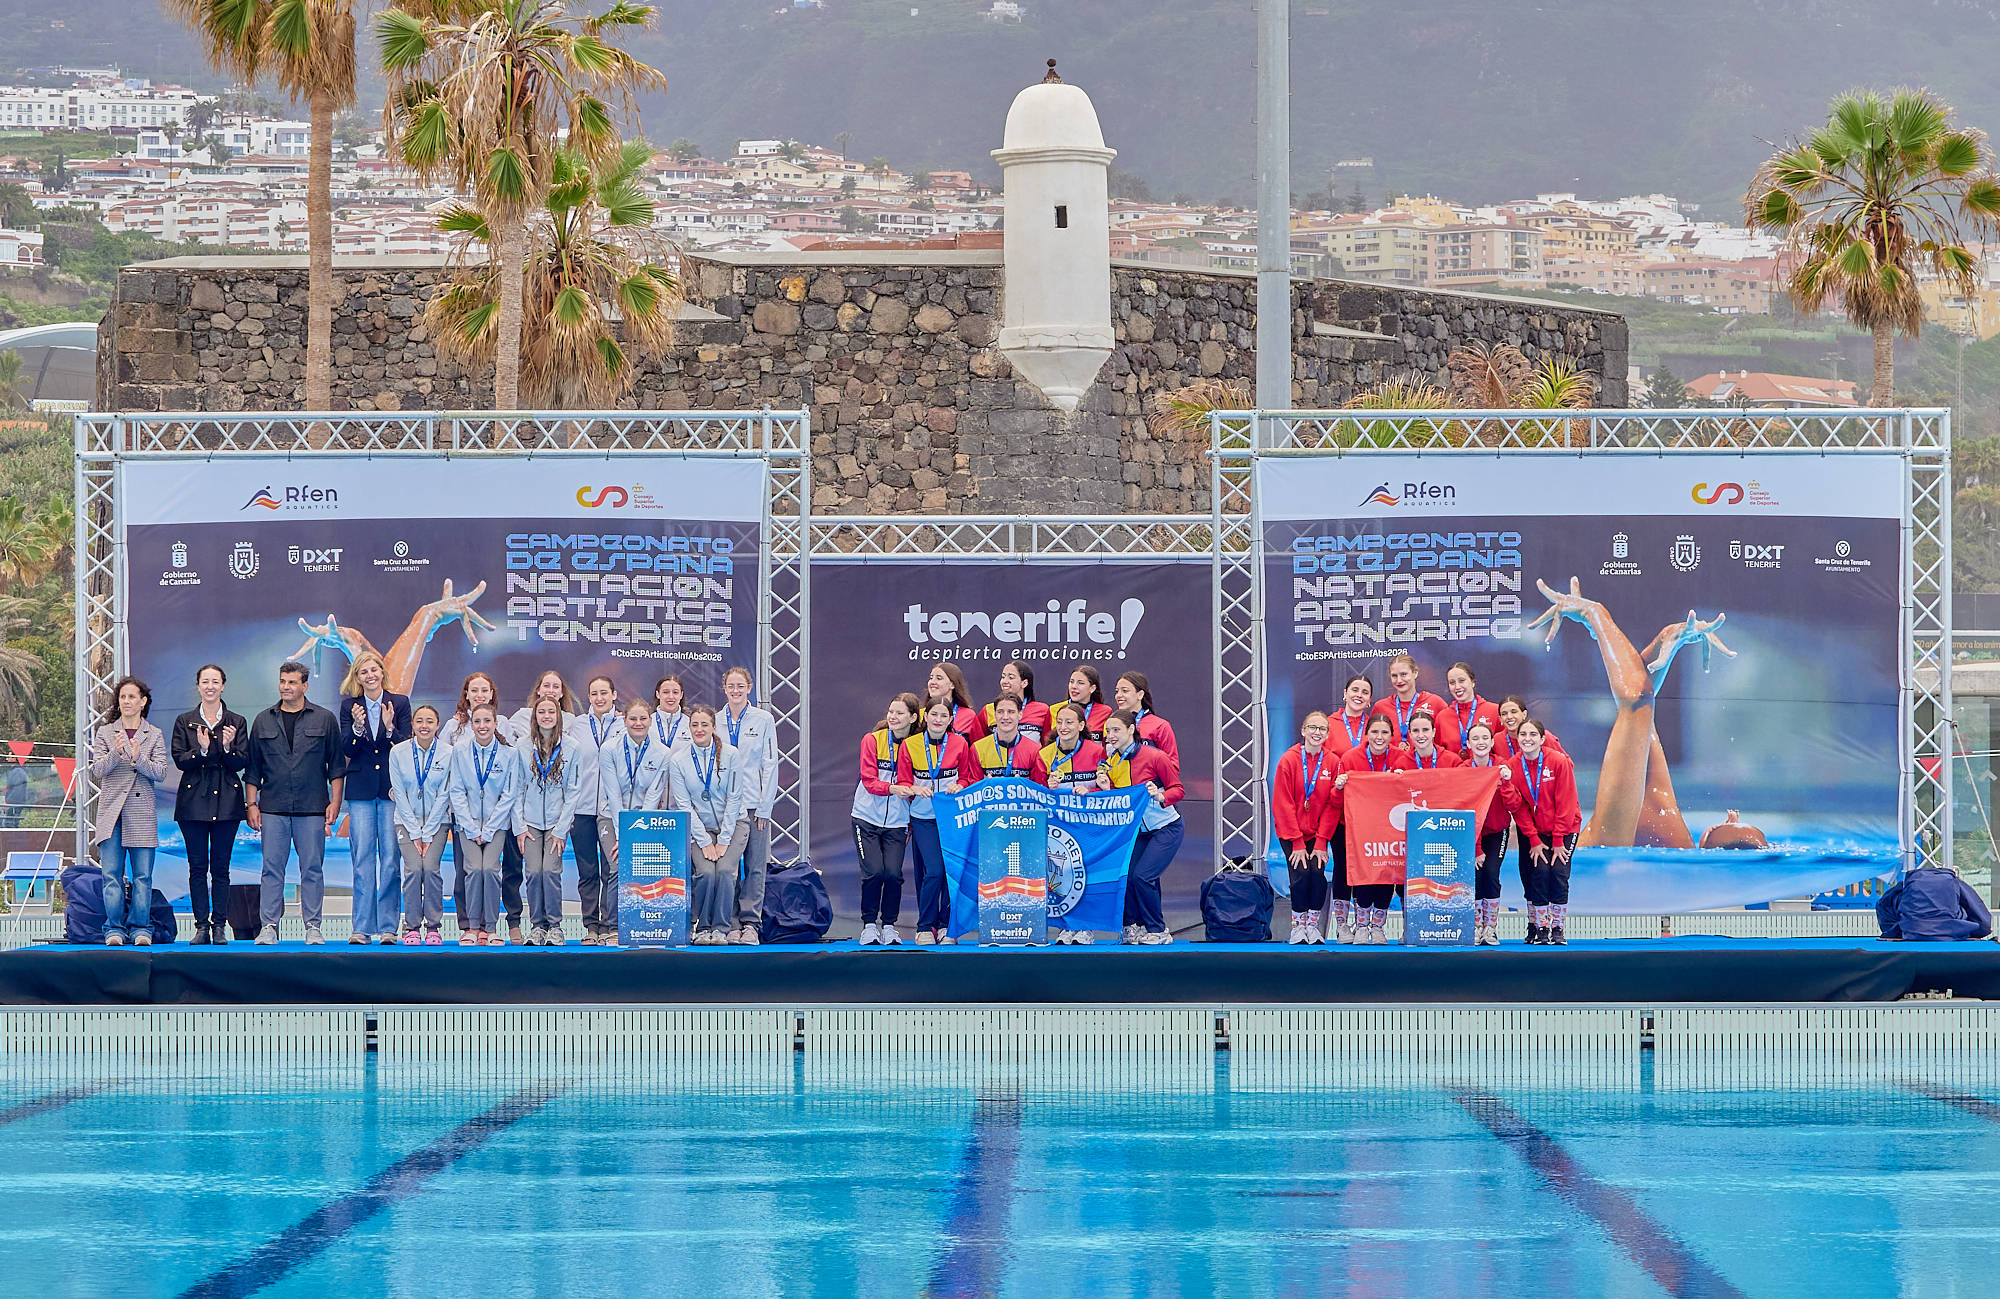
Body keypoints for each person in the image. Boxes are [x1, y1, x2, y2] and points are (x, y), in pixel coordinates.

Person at [1527, 578, 1730, 850]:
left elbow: (1637, 699)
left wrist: (1595, 614)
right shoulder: (1667, 830)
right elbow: (1639, 698)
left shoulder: (1607, 842)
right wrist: (1666, 639)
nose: (1733, 815)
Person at [245, 661, 347, 947]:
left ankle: (313, 927)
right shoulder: (263, 720)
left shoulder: (324, 719)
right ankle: (268, 927)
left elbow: (336, 767)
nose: (286, 687)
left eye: (292, 682)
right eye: (282, 681)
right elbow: (253, 768)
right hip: (273, 807)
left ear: (305, 685)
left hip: (313, 806)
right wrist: (251, 804)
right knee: (271, 869)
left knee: (312, 869)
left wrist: (335, 802)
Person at [337, 650, 412, 945]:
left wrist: (390, 727)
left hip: (391, 790)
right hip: (361, 790)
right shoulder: (349, 707)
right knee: (363, 859)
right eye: (363, 672)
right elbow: (347, 748)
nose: (370, 676)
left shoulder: (400, 703)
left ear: (382, 672)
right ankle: (362, 928)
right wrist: (357, 728)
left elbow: (406, 747)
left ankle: (389, 928)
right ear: (357, 678)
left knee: (391, 860)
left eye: (374, 670)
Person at [169, 663, 248, 945]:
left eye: (216, 681)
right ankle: (201, 925)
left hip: (227, 802)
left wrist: (227, 747)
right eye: (205, 681)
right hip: (193, 803)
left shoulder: (236, 721)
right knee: (197, 867)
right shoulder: (185, 720)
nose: (210, 686)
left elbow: (241, 762)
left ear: (223, 685)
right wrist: (201, 750)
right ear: (198, 686)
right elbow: (179, 760)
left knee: (222, 868)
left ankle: (219, 926)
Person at [89, 676, 170, 947]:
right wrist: (116, 753)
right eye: (123, 697)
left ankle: (141, 928)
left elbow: (160, 773)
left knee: (142, 877)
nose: (127, 702)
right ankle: (113, 928)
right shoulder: (105, 732)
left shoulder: (154, 734)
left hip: (141, 813)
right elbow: (97, 770)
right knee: (111, 874)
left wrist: (137, 758)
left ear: (143, 701)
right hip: (112, 813)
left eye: (132, 697)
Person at [499, 670, 579, 943]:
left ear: (559, 716)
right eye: (541, 712)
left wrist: (562, 828)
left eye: (551, 712)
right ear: (534, 716)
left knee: (551, 872)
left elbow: (573, 791)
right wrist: (519, 828)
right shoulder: (522, 747)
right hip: (530, 823)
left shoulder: (572, 747)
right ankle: (537, 926)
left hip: (557, 822)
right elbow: (516, 789)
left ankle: (555, 926)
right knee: (533, 872)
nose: (546, 716)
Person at [1098, 710, 1185, 945]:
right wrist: (1107, 790)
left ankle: (1158, 930)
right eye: (1108, 731)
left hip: (1167, 827)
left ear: (1131, 730)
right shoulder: (1111, 762)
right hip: (1139, 831)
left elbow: (1178, 789)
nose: (1111, 735)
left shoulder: (1155, 756)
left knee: (1143, 876)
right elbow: (1122, 799)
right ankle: (1132, 927)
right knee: (1126, 876)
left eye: (1116, 730)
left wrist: (1159, 795)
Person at [595, 699, 676, 946]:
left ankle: (641, 926)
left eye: (643, 719)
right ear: (625, 721)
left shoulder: (662, 752)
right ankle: (611, 926)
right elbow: (613, 793)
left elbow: (654, 795)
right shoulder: (609, 749)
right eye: (633, 719)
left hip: (645, 818)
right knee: (618, 865)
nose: (638, 723)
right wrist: (623, 837)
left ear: (650, 721)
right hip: (611, 815)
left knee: (644, 869)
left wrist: (639, 830)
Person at [894, 698, 971, 946]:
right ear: (926, 717)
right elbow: (903, 783)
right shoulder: (910, 745)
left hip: (952, 817)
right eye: (934, 715)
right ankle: (925, 925)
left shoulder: (960, 743)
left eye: (943, 716)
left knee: (951, 871)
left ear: (950, 720)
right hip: (923, 817)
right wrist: (915, 787)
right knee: (934, 870)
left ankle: (948, 925)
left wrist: (960, 785)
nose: (938, 720)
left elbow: (969, 776)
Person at [672, 704, 751, 945]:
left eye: (704, 724)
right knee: (706, 873)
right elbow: (684, 805)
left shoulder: (731, 754)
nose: (699, 729)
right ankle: (702, 926)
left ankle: (722, 928)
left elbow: (735, 797)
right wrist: (705, 841)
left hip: (734, 823)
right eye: (694, 725)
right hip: (700, 829)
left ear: (714, 727)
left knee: (726, 872)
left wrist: (724, 840)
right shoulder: (678, 761)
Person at [1332, 713, 1413, 945]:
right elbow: (1335, 801)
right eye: (1375, 732)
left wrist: (1403, 779)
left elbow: (1412, 789)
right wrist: (1339, 787)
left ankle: (1377, 927)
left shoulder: (1401, 758)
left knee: (1386, 874)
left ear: (1392, 736)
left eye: (1384, 732)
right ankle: (1360, 927)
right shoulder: (1350, 757)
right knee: (1362, 875)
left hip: (1388, 829)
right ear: (1366, 734)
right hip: (1355, 828)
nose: (1379, 737)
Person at [447, 703, 518, 947]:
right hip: (467, 826)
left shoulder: (509, 754)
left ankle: (491, 928)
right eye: (477, 721)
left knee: (489, 870)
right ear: (471, 725)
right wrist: (470, 826)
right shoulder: (460, 751)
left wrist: (488, 829)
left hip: (496, 826)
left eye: (487, 721)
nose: (482, 726)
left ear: (495, 723)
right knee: (473, 870)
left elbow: (509, 794)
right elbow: (456, 791)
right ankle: (472, 927)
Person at [853, 692, 920, 946]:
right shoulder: (872, 740)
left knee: (892, 874)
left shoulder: (917, 745)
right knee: (874, 873)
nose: (893, 717)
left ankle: (889, 926)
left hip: (897, 822)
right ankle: (869, 925)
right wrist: (894, 788)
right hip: (865, 818)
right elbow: (869, 781)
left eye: (900, 713)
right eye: (891, 711)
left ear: (913, 718)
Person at [720, 666, 780, 947]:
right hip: (725, 807)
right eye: (731, 686)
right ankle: (730, 922)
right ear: (724, 688)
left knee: (755, 866)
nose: (735, 691)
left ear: (749, 687)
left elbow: (770, 765)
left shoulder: (763, 719)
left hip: (755, 806)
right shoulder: (715, 720)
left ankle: (751, 924)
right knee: (728, 866)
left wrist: (765, 808)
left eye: (740, 686)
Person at [1508, 717, 1581, 945]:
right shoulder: (1513, 766)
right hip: (1537, 831)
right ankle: (1541, 928)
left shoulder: (1558, 761)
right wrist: (1533, 838)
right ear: (1517, 739)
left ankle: (1558, 928)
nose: (1527, 739)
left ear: (1542, 739)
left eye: (1532, 735)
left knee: (1558, 873)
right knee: (1538, 873)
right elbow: (1518, 808)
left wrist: (1559, 839)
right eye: (1523, 735)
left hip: (1566, 827)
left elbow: (1566, 802)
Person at [1272, 711, 1339, 945]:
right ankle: (1297, 927)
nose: (1316, 733)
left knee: (1317, 876)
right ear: (1303, 731)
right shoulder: (1289, 760)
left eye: (1322, 729)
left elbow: (1333, 804)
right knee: (1300, 875)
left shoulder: (1332, 762)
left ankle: (1313, 926)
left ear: (1328, 734)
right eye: (1312, 727)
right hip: (1292, 833)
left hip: (1318, 834)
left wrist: (1322, 841)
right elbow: (1283, 802)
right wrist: (1297, 842)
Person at [389, 704, 452, 946]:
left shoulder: (448, 753)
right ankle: (412, 926)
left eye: (430, 721)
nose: (424, 726)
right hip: (406, 822)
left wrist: (427, 832)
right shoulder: (399, 753)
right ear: (413, 726)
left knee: (431, 869)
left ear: (438, 725)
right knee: (414, 869)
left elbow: (445, 794)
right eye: (419, 721)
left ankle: (434, 927)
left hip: (437, 823)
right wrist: (415, 831)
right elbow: (399, 793)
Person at [571, 675, 623, 946]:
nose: (599, 698)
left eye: (604, 692)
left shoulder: (625, 725)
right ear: (588, 697)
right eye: (594, 693)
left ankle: (610, 924)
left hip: (609, 810)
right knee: (587, 871)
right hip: (581, 808)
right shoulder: (577, 726)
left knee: (611, 869)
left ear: (614, 695)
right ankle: (591, 925)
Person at [1462, 720, 1518, 946]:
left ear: (1492, 742)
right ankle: (1475, 927)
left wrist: (1505, 783)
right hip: (1471, 835)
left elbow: (1513, 805)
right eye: (1475, 738)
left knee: (1491, 874)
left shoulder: (1502, 767)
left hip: (1497, 830)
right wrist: (1475, 848)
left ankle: (1490, 929)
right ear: (1468, 744)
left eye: (1484, 738)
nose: (1480, 742)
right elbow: (1461, 808)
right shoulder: (1463, 771)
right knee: (1474, 877)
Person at [960, 695, 1051, 786]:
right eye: (1000, 712)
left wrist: (1024, 786)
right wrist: (985, 785)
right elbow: (973, 787)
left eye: (1011, 712)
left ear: (1020, 715)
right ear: (995, 715)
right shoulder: (978, 748)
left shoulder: (1034, 750)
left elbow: (1039, 787)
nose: (1005, 717)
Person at [1370, 652, 1450, 748]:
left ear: (1415, 673)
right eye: (1394, 676)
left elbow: (1446, 741)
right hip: (1392, 762)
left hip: (1426, 762)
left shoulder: (1435, 702)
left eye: (1403, 674)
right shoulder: (1381, 707)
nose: (1399, 680)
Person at [1113, 671, 1179, 770]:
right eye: (1117, 691)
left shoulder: (1160, 726)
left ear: (1140, 694)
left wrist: (1155, 784)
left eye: (1125, 691)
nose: (1119, 695)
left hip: (1147, 785)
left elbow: (1172, 766)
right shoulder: (1110, 725)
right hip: (1118, 784)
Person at [981, 661, 1053, 747]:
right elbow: (981, 746)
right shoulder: (988, 710)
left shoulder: (1042, 710)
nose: (1004, 681)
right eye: (1003, 677)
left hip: (1031, 760)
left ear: (1024, 683)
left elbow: (1047, 746)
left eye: (1011, 677)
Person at [1040, 702, 1106, 793]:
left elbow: (1109, 787)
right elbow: (1037, 792)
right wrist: (1049, 788)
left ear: (1081, 725)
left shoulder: (1097, 751)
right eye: (1059, 722)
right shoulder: (1044, 754)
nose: (1063, 727)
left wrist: (1090, 792)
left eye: (1069, 722)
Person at [1440, 662, 1501, 757]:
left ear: (1472, 682)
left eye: (1461, 680)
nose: (1457, 687)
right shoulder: (1442, 717)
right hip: (1453, 771)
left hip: (1486, 770)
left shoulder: (1494, 711)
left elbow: (1504, 746)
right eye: (1452, 682)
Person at [923, 662, 986, 744]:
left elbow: (978, 750)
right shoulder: (922, 714)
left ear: (952, 685)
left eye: (939, 678)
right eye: (931, 678)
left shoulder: (968, 716)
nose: (932, 682)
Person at [1494, 695, 1564, 763]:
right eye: (1504, 713)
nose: (1509, 716)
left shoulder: (1543, 736)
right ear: (1500, 719)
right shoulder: (1496, 741)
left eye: (1514, 712)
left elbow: (1566, 764)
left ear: (1524, 714)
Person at [1327, 674, 1375, 759]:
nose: (1359, 695)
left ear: (1369, 700)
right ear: (1345, 694)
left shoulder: (1374, 726)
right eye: (1355, 690)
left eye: (1365, 692)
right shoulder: (1328, 724)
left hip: (1367, 772)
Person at [1064, 665, 1114, 740]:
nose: (1074, 686)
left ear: (1092, 688)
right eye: (1071, 682)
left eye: (1080, 683)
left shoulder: (1105, 712)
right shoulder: (1054, 709)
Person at [651, 674, 692, 757]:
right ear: (658, 694)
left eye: (675, 692)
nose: (671, 696)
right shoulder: (647, 723)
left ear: (681, 695)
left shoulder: (690, 724)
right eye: (666, 692)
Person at [0, 761, 25, 829]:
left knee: (9, 824)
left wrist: (8, 802)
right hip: (12, 803)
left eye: (10, 756)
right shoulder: (14, 771)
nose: (7, 758)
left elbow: (17, 789)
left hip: (13, 804)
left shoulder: (17, 771)